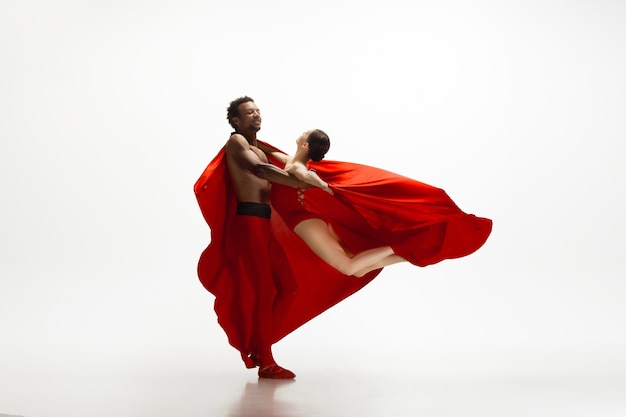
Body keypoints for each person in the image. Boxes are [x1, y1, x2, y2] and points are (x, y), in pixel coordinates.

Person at [195, 96, 314, 379]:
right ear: (236, 121)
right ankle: (266, 362)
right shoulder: (236, 143)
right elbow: (260, 170)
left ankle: (260, 346)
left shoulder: (261, 148)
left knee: (289, 287)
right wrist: (298, 181)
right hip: (248, 222)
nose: (256, 115)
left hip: (263, 224)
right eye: (249, 112)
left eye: (258, 110)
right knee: (264, 291)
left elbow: (286, 165)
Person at [259, 129, 406, 277]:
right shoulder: (290, 161)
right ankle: (406, 255)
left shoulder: (297, 166)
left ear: (305, 145)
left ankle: (400, 247)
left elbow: (306, 175)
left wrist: (323, 186)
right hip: (307, 220)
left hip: (302, 221)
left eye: (305, 132)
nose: (302, 132)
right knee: (359, 271)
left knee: (348, 267)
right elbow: (270, 152)